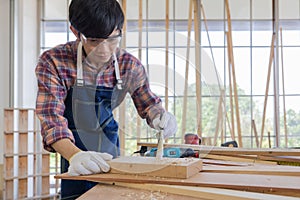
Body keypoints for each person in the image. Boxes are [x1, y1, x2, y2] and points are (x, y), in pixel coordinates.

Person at [35, 0, 177, 199]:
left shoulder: (129, 65)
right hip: (73, 149)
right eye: (94, 40)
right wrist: (75, 156)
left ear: (120, 31)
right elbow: (52, 119)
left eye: (112, 39)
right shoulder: (54, 62)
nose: (104, 50)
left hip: (110, 147)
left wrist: (160, 117)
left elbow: (148, 104)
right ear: (76, 32)